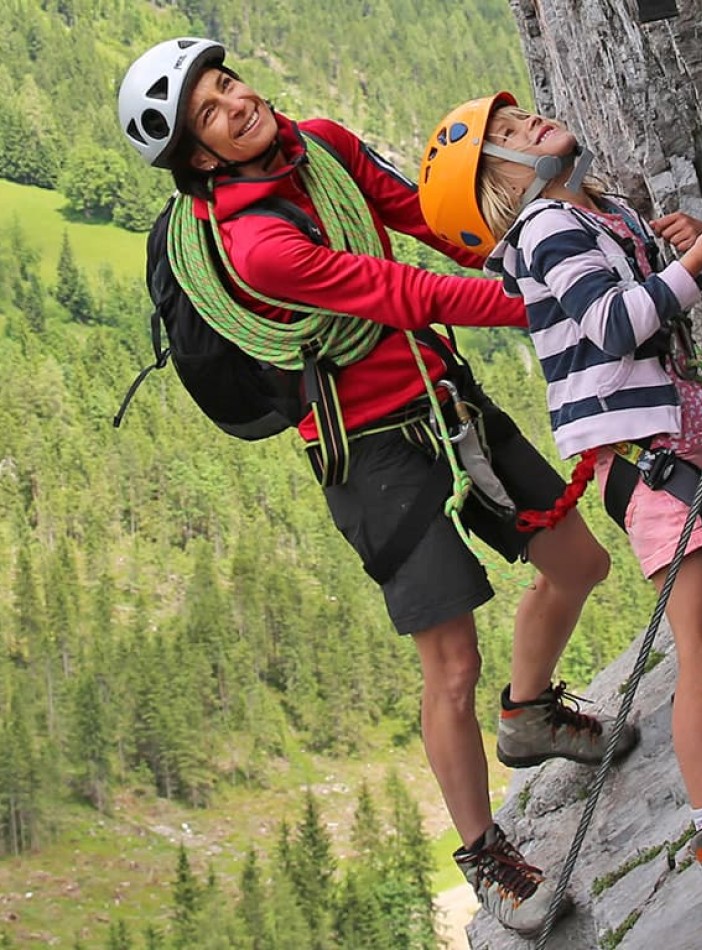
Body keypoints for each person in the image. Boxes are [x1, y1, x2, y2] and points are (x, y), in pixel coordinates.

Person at [118, 40, 639, 937]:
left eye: (227, 83)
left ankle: (529, 715)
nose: (237, 104)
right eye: (211, 111)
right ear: (201, 157)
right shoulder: (257, 244)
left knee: (578, 561)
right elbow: (397, 290)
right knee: (450, 663)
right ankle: (488, 855)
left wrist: (540, 249)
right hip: (366, 452)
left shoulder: (320, 144)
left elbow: (422, 218)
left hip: (438, 396)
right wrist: (546, 303)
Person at [418, 91, 702, 910]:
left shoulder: (598, 209)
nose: (527, 127)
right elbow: (614, 326)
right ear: (504, 191)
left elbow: (629, 298)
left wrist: (672, 249)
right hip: (644, 460)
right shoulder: (546, 228)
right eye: (505, 139)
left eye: (517, 121)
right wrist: (689, 269)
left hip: (663, 446)